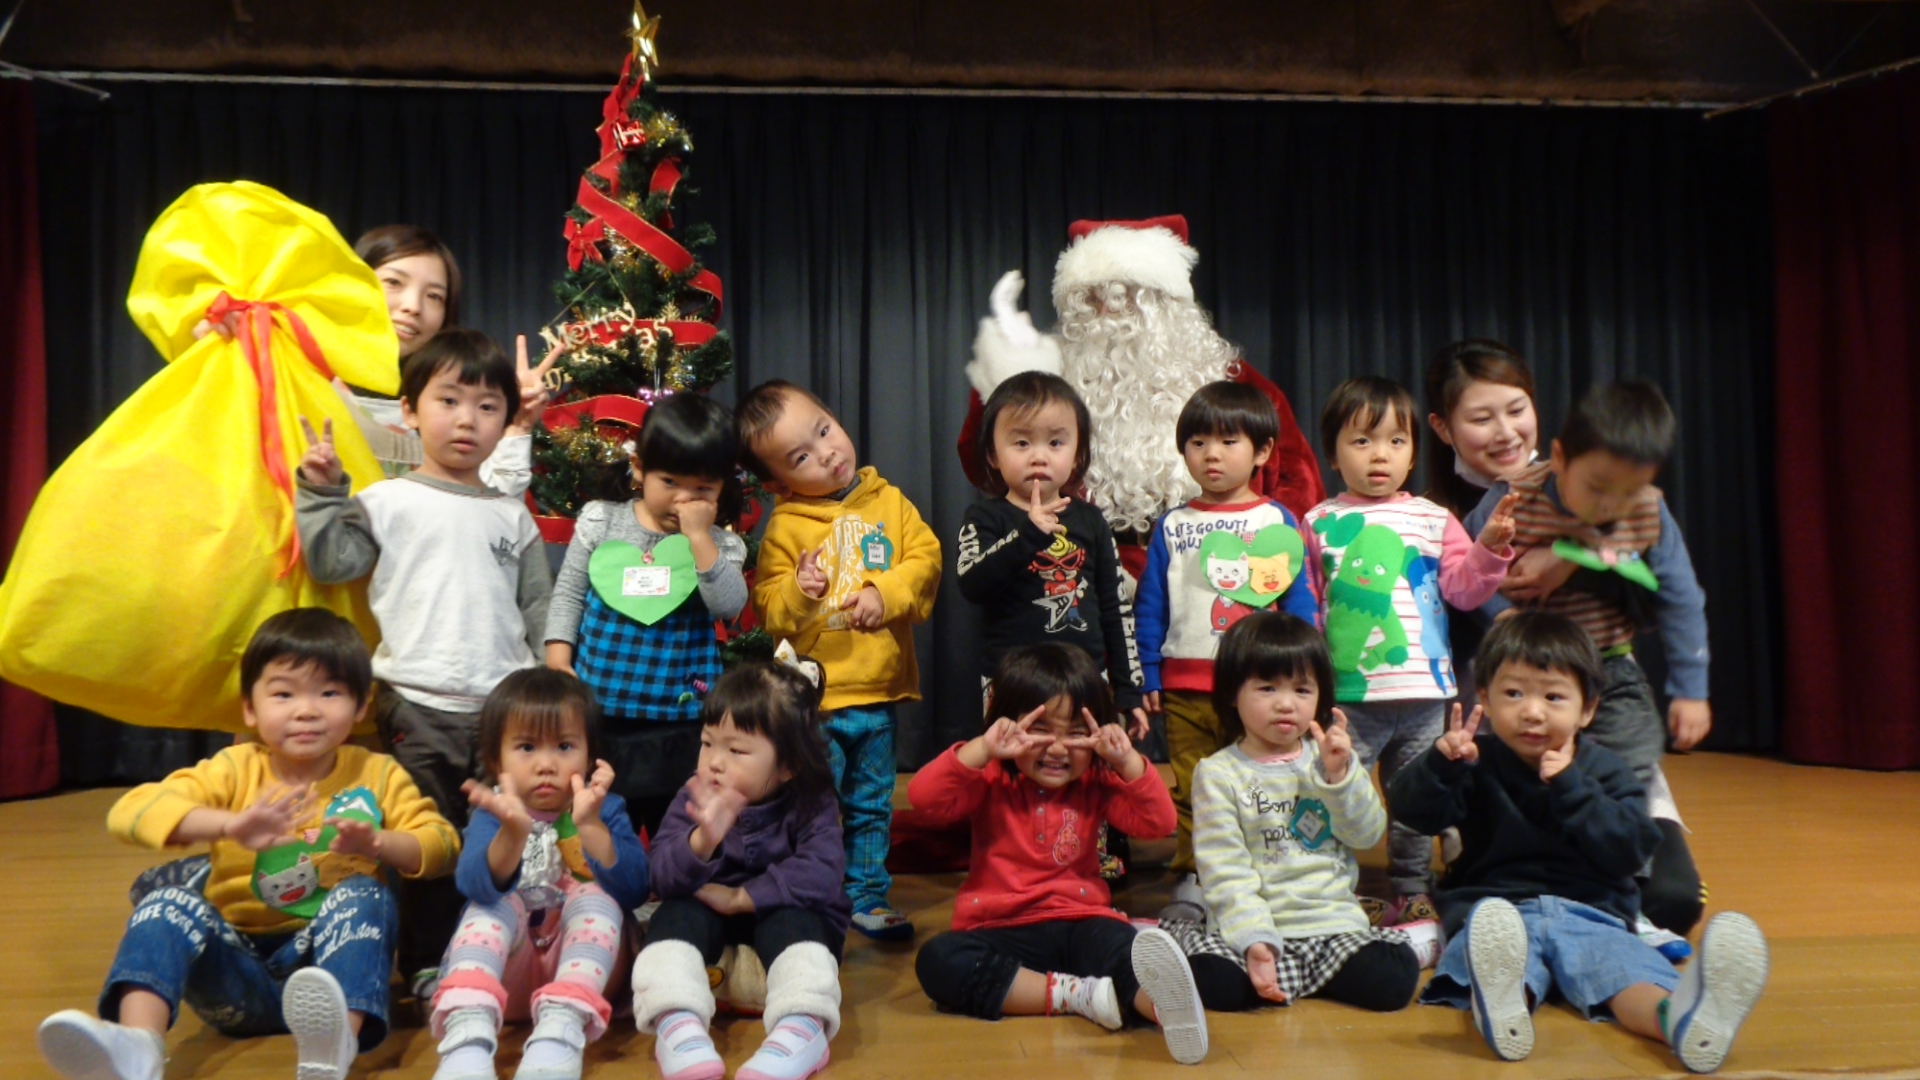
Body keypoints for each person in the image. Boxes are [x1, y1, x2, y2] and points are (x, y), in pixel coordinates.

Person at [36, 609, 458, 1080]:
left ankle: (338, 1043)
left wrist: (379, 843)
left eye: (329, 693)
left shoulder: (376, 774)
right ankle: (138, 1046)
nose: (306, 710)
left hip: (327, 972)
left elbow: (441, 844)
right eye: (283, 694)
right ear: (250, 709)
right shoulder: (233, 769)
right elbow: (129, 812)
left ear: (361, 706)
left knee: (366, 895)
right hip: (236, 974)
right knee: (164, 903)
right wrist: (230, 826)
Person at [1388, 612, 1767, 1072]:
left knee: (1628, 977)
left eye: (1553, 696)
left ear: (1587, 709)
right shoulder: (1473, 762)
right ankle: (1503, 1009)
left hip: (1593, 914)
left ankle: (1679, 1019)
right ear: (1484, 698)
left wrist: (1571, 787)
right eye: (1514, 694)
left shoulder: (1606, 769)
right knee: (1499, 963)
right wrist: (1439, 764)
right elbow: (1414, 812)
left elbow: (1630, 849)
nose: (1532, 711)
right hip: (1497, 913)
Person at [295, 328, 554, 999]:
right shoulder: (386, 501)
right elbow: (331, 563)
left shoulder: (512, 516)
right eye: (448, 401)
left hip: (503, 710)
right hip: (416, 702)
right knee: (426, 835)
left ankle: (498, 950)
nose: (467, 420)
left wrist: (547, 688)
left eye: (488, 407)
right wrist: (322, 493)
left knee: (502, 834)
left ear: (507, 420)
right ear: (409, 410)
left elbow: (538, 609)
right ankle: (429, 959)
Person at [1464, 382, 1709, 937]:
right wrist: (1502, 616)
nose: (1610, 507)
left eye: (1628, 492)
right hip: (1531, 672)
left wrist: (1691, 689)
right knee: (1510, 770)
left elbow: (1679, 596)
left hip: (1609, 669)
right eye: (1597, 488)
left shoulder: (1646, 512)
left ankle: (1626, 885)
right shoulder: (1514, 501)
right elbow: (1470, 573)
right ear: (1558, 457)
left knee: (1626, 771)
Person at [909, 645, 1210, 1066]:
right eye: (1040, 730)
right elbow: (923, 797)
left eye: (1075, 733)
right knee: (938, 960)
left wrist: (1127, 762)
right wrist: (982, 748)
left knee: (1123, 948)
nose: (1057, 749)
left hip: (1081, 922)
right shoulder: (990, 777)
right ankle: (1075, 995)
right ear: (1005, 725)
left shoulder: (1096, 781)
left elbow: (1159, 823)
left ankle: (1165, 1010)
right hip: (1001, 928)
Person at [956, 216, 1323, 562]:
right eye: (1096, 300)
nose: (1113, 315)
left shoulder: (1231, 381)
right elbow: (983, 465)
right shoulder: (1050, 383)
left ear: (1166, 303)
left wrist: (1259, 555)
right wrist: (1003, 376)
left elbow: (1297, 482)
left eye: (1131, 298)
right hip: (1082, 572)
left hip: (1209, 569)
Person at [1301, 376, 1516, 923]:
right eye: (1362, 440)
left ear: (1414, 451)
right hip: (1348, 697)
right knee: (1337, 791)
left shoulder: (1433, 517)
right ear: (1333, 454)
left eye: (1396, 441)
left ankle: (1412, 886)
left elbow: (1463, 590)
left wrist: (1489, 549)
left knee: (1414, 799)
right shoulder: (1318, 522)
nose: (1381, 455)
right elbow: (1307, 607)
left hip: (1423, 692)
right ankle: (1332, 887)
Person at [737, 380, 941, 942]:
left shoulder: (889, 503)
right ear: (778, 483)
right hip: (815, 704)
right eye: (801, 457)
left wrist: (883, 591)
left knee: (872, 804)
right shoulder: (786, 526)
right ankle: (813, 891)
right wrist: (798, 589)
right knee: (812, 803)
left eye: (824, 431)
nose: (826, 453)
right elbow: (769, 608)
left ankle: (867, 895)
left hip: (877, 692)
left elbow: (926, 560)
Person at [1134, 381, 1318, 914]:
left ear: (1262, 451)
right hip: (1186, 688)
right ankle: (1195, 877)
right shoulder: (1173, 525)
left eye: (1228, 441)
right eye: (1197, 443)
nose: (1211, 454)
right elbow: (1151, 606)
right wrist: (1149, 673)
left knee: (1262, 784)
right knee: (1195, 787)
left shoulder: (1275, 521)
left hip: (1258, 690)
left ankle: (1263, 876)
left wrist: (1305, 677)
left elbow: (1298, 604)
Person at [1179, 611, 1422, 1013]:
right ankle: (1250, 960)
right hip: (1255, 930)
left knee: (1394, 977)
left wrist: (1340, 777)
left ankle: (1413, 944)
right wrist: (1255, 940)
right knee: (1212, 982)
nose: (1286, 704)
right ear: (1232, 694)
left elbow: (1366, 834)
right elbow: (1225, 869)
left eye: (1302, 689)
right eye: (1267, 688)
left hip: (1332, 925)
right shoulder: (1218, 773)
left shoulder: (1329, 760)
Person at [629, 654, 849, 1080]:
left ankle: (802, 1028)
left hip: (783, 927)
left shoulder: (811, 800)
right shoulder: (694, 796)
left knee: (798, 922)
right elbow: (659, 874)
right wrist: (702, 841)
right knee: (674, 916)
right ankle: (677, 1024)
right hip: (709, 928)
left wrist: (741, 897)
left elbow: (823, 872)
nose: (714, 761)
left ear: (788, 765)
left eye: (736, 750)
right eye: (707, 742)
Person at [544, 392, 749, 838]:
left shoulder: (720, 544)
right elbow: (568, 595)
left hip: (682, 719)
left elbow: (729, 606)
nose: (683, 500)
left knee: (674, 827)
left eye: (702, 489)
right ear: (639, 469)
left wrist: (700, 540)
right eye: (670, 482)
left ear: (722, 487)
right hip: (601, 712)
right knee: (603, 826)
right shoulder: (601, 522)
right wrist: (559, 660)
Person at [430, 668, 649, 1080]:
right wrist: (512, 833)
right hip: (505, 981)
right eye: (527, 747)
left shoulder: (604, 806)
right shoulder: (495, 811)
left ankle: (559, 1036)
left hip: (586, 977)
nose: (546, 764)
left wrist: (590, 826)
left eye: (564, 746)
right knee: (492, 903)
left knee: (596, 896)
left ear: (590, 755)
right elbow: (473, 884)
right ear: (496, 760)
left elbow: (636, 888)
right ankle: (467, 1037)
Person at [955, 371, 1146, 730]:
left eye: (1055, 443)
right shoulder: (985, 517)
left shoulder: (1091, 521)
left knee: (1085, 760)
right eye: (1022, 443)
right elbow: (972, 583)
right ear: (993, 454)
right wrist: (1028, 534)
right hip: (1010, 680)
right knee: (1012, 761)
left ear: (1077, 455)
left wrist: (1129, 688)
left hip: (1086, 677)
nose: (1039, 457)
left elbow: (1116, 608)